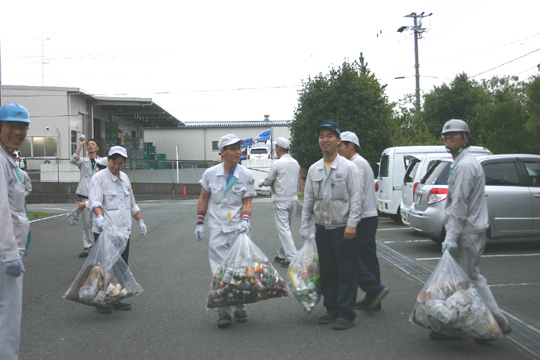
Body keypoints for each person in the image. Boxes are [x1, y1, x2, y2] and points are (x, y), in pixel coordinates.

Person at [431, 119, 512, 340]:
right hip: (472, 230)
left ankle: (482, 324)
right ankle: (493, 320)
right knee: (469, 278)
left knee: (462, 281)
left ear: (465, 138)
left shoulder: (465, 165)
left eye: (454, 135)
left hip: (466, 232)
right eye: (446, 136)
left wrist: (452, 236)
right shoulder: (461, 162)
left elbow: (459, 204)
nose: (448, 139)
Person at [300, 122, 362, 330]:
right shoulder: (314, 168)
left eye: (329, 136)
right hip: (322, 228)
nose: (324, 139)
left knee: (346, 271)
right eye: (321, 136)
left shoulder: (349, 168)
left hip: (343, 228)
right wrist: (305, 225)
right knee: (327, 271)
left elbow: (356, 198)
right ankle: (332, 309)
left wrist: (352, 224)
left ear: (338, 141)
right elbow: (308, 198)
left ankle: (346, 313)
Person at [194, 134, 257, 329]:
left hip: (239, 229)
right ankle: (223, 310)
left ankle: (240, 306)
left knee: (240, 269)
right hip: (217, 229)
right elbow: (204, 197)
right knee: (219, 270)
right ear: (222, 152)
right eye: (233, 148)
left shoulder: (245, 175)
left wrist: (245, 220)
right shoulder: (210, 174)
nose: (238, 151)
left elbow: (247, 201)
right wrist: (199, 222)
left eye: (239, 147)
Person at [88, 146, 147, 314]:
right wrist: (99, 217)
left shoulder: (125, 179)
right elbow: (95, 202)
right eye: (114, 162)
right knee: (104, 266)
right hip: (106, 231)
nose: (117, 166)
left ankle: (115, 297)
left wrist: (140, 221)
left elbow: (131, 204)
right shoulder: (99, 178)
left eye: (120, 163)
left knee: (121, 267)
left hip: (123, 232)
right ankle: (101, 300)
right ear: (108, 159)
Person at [338, 131, 389, 312]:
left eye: (340, 146)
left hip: (361, 217)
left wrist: (351, 220)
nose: (338, 150)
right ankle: (374, 298)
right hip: (369, 216)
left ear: (351, 145)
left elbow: (356, 194)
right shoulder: (361, 162)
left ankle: (375, 289)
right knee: (368, 257)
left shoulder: (356, 164)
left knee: (349, 257)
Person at [0, 103, 31, 359]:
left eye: (22, 127)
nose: (18, 132)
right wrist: (9, 253)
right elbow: (1, 210)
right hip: (4, 254)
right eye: (12, 126)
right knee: (8, 315)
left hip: (9, 250)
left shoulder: (9, 159)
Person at [258, 137, 300, 268]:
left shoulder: (277, 164)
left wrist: (261, 182)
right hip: (293, 200)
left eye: (276, 147)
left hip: (281, 200)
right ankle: (282, 254)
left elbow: (269, 180)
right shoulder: (295, 163)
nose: (275, 149)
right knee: (287, 229)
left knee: (284, 230)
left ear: (279, 148)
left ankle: (293, 259)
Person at [70, 137, 103, 258]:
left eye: (93, 144)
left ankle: (100, 245)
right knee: (86, 223)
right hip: (85, 194)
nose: (90, 146)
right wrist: (80, 145)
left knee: (99, 220)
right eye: (88, 145)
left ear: (97, 148)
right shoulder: (83, 161)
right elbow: (73, 159)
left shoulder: (101, 161)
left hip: (98, 195)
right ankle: (87, 247)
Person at [67, 158, 108, 226]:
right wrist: (82, 207)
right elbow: (96, 200)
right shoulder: (97, 180)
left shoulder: (119, 180)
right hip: (100, 221)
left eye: (101, 167)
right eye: (98, 167)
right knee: (87, 225)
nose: (98, 169)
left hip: (113, 223)